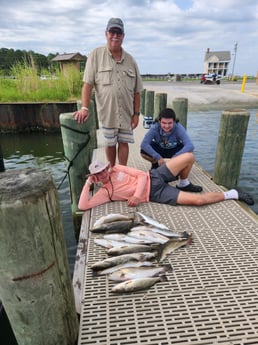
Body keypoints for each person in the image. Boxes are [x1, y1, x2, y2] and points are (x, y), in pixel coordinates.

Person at [73, 18, 143, 167]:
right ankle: (112, 169)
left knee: (124, 142)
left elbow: (137, 91)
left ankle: (122, 170)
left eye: (119, 33)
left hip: (127, 113)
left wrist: (136, 114)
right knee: (110, 143)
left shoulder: (131, 60)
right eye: (112, 32)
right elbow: (87, 84)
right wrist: (84, 108)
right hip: (107, 112)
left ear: (123, 36)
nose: (115, 36)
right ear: (106, 34)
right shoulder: (95, 55)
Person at [78, 153, 254, 211]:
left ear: (107, 168)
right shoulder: (104, 193)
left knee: (188, 156)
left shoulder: (117, 168)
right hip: (155, 194)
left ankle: (184, 182)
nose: (102, 175)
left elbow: (140, 175)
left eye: (102, 170)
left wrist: (137, 195)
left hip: (154, 176)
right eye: (97, 175)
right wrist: (88, 184)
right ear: (94, 177)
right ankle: (233, 193)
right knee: (198, 201)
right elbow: (83, 206)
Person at [140, 107, 202, 192]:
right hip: (160, 149)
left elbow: (190, 145)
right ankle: (155, 165)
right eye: (164, 123)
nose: (167, 126)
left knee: (189, 153)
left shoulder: (178, 127)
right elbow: (144, 144)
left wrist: (175, 157)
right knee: (143, 151)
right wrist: (158, 157)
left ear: (174, 122)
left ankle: (183, 183)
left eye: (170, 123)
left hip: (174, 149)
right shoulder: (155, 127)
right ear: (159, 121)